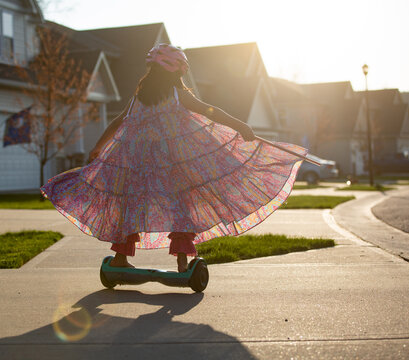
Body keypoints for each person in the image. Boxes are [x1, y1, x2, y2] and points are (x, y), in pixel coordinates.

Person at [40, 44, 307, 273]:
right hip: (173, 161)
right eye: (181, 69)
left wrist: (99, 147)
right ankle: (181, 263)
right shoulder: (178, 93)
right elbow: (210, 111)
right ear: (175, 69)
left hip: (136, 164)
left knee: (130, 206)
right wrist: (241, 126)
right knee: (183, 203)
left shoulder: (138, 98)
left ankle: (121, 258)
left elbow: (117, 122)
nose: (183, 73)